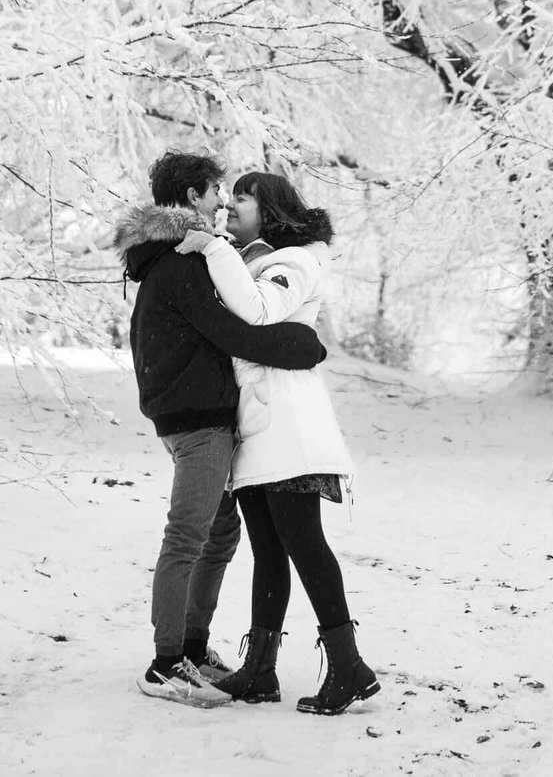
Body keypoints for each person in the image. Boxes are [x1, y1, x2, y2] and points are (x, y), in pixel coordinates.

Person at [113, 151, 331, 709]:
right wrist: (304, 346)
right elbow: (236, 333)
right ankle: (167, 663)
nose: (223, 202)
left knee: (220, 535)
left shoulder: (177, 256)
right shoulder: (183, 262)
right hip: (198, 420)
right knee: (189, 534)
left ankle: (193, 645)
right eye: (216, 191)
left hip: (197, 413)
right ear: (192, 198)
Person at [175, 171, 381, 715]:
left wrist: (215, 249)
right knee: (268, 550)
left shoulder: (293, 263)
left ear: (271, 209)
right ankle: (261, 670)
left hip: (290, 427)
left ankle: (348, 665)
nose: (231, 205)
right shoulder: (245, 262)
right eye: (231, 196)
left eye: (243, 197)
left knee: (303, 542)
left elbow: (260, 312)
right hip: (257, 431)